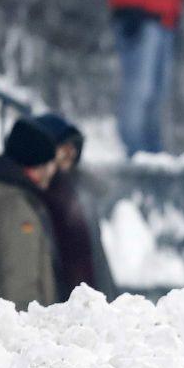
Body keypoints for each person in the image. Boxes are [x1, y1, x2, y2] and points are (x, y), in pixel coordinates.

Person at [0, 117, 59, 310]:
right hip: (12, 325)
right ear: (34, 165)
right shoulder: (16, 212)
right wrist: (33, 326)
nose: (53, 170)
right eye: (49, 163)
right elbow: (21, 288)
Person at [34, 113, 118, 301]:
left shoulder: (82, 190)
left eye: (73, 147)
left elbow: (97, 259)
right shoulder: (37, 197)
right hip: (56, 301)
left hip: (92, 297)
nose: (69, 153)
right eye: (62, 147)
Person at [109, 0, 184, 155]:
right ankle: (134, 149)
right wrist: (129, 6)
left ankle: (152, 151)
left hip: (167, 20)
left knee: (158, 91)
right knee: (139, 88)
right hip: (139, 16)